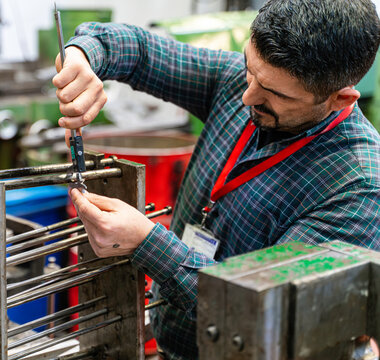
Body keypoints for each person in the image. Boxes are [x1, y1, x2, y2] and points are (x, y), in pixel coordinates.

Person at [52, 0, 380, 359]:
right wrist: (83, 57)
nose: (247, 95)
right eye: (250, 69)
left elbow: (263, 314)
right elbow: (140, 51)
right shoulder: (239, 82)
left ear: (340, 98)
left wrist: (147, 243)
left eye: (276, 94)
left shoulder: (357, 189)